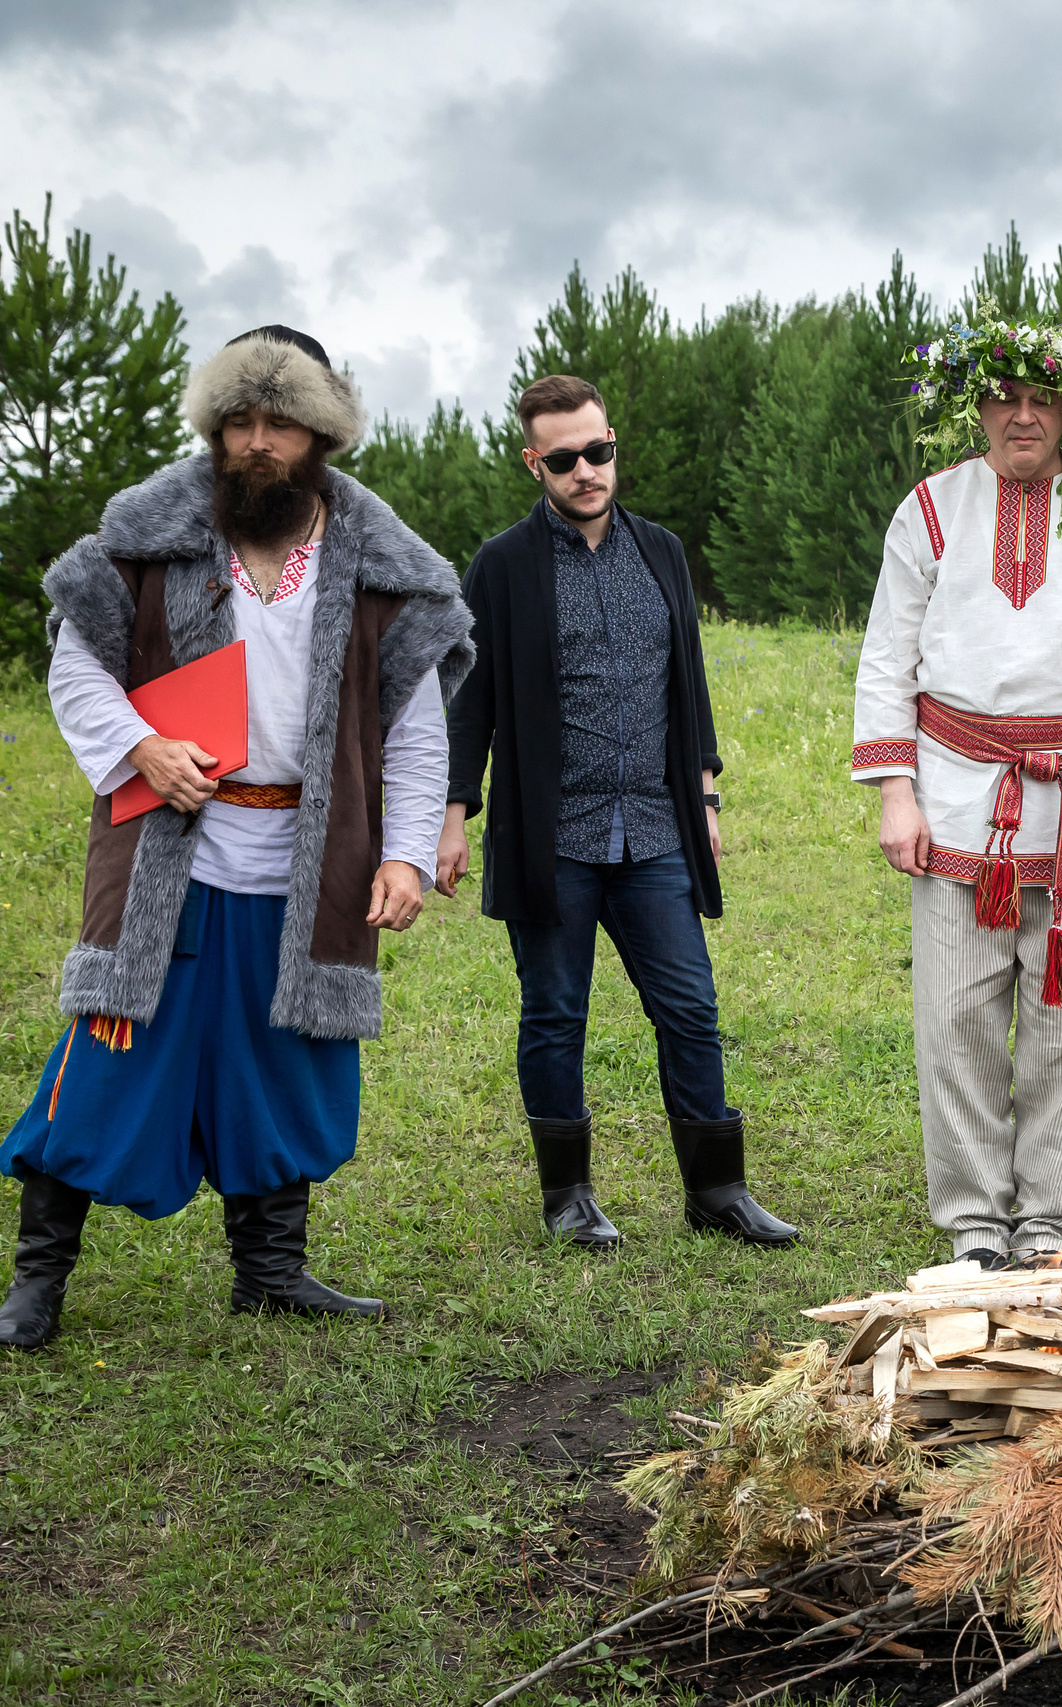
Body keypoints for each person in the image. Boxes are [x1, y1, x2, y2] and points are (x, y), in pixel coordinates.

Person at [0, 326, 472, 1349]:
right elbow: (77, 666)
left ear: (322, 435)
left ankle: (270, 1272)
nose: (258, 442)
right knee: (110, 1059)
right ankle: (37, 1281)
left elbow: (412, 726)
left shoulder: (382, 564)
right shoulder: (148, 536)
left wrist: (401, 850)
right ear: (215, 428)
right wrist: (141, 746)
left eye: (281, 423)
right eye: (241, 421)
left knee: (284, 1065)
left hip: (310, 858)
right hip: (169, 853)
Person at [852, 308, 1062, 1268]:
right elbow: (888, 657)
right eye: (1006, 397)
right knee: (955, 1018)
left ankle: (1044, 1222)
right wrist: (896, 792)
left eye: (1043, 399)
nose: (1024, 415)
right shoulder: (931, 508)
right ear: (979, 408)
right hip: (958, 795)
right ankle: (972, 1223)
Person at [440, 376, 792, 1251]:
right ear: (535, 463)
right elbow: (470, 704)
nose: (586, 471)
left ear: (612, 445)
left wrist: (704, 792)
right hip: (551, 835)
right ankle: (568, 1197)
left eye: (598, 451)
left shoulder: (661, 550)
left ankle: (717, 1190)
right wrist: (451, 816)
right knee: (555, 1014)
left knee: (691, 1007)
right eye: (564, 459)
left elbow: (689, 683)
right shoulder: (502, 566)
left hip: (656, 828)